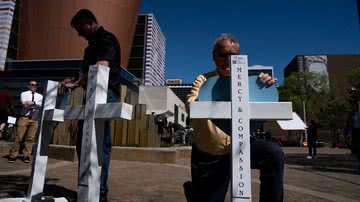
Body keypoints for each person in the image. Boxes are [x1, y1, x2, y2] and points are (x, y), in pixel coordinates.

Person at [184, 34, 284, 202]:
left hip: (241, 146)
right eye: (223, 55)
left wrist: (265, 87)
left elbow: (267, 103)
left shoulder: (250, 81)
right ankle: (192, 191)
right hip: (210, 154)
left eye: (234, 56)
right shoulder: (203, 79)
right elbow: (191, 104)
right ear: (214, 56)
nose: (228, 60)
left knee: (273, 153)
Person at [62, 9, 122, 202]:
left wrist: (82, 81)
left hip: (105, 94)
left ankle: (99, 193)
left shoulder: (107, 39)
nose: (79, 34)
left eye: (80, 29)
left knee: (99, 144)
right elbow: (88, 74)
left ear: (89, 24)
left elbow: (102, 65)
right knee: (83, 144)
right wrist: (76, 83)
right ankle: (86, 188)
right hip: (90, 95)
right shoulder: (89, 49)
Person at [9, 80, 43, 163]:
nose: (34, 86)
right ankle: (13, 155)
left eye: (35, 85)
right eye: (32, 84)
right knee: (19, 137)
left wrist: (33, 103)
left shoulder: (40, 96)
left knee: (30, 138)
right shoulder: (24, 94)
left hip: (34, 119)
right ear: (28, 85)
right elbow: (25, 104)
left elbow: (41, 105)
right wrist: (35, 104)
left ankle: (26, 156)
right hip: (24, 118)